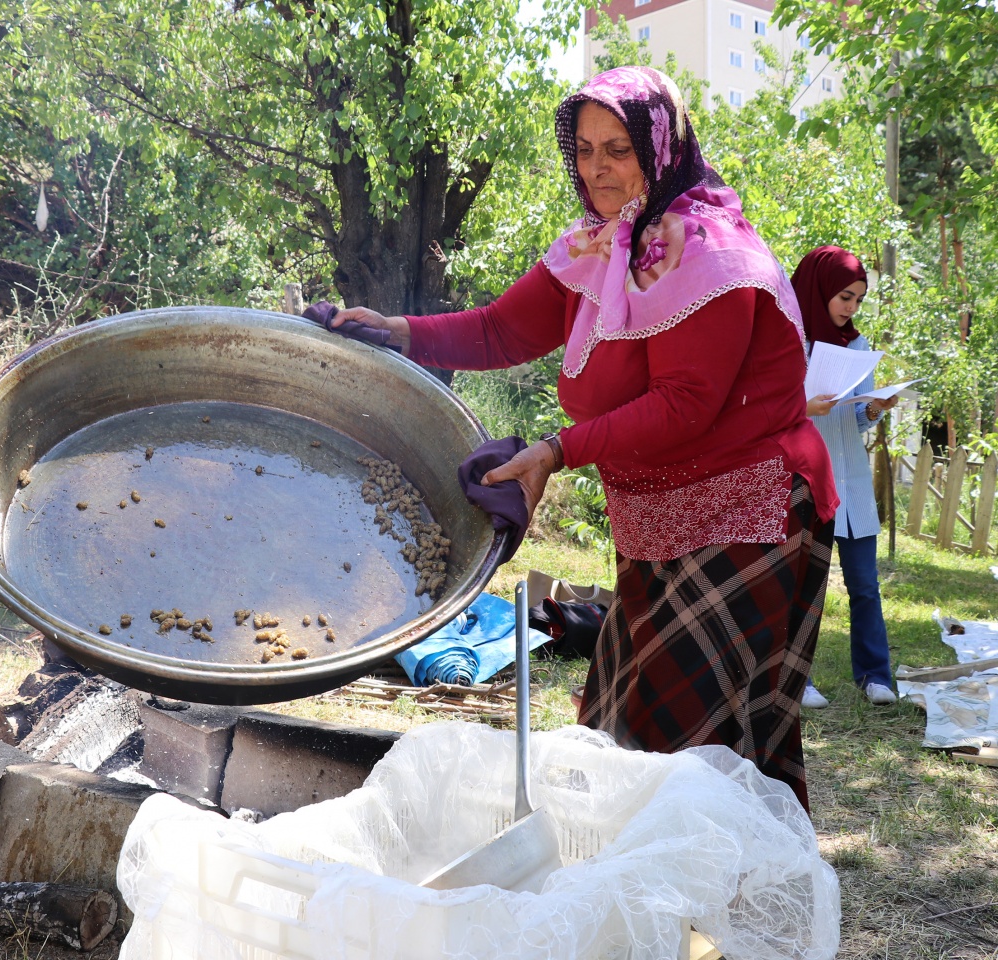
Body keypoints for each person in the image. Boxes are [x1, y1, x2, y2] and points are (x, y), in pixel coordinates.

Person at [326, 66, 837, 810]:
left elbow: (685, 407)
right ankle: (658, 875)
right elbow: (500, 330)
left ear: (660, 149)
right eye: (585, 150)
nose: (597, 168)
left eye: (618, 150)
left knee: (699, 750)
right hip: (656, 513)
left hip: (745, 511)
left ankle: (719, 878)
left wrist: (557, 450)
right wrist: (399, 331)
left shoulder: (710, 254)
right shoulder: (599, 247)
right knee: (627, 724)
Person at [792, 246, 901, 708]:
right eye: (844, 297)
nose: (851, 307)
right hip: (804, 480)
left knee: (865, 585)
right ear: (819, 289)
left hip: (851, 479)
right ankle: (798, 680)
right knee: (803, 585)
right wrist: (805, 408)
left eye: (858, 299)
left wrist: (875, 407)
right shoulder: (787, 339)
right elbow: (766, 412)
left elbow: (855, 422)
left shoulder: (857, 346)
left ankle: (875, 676)